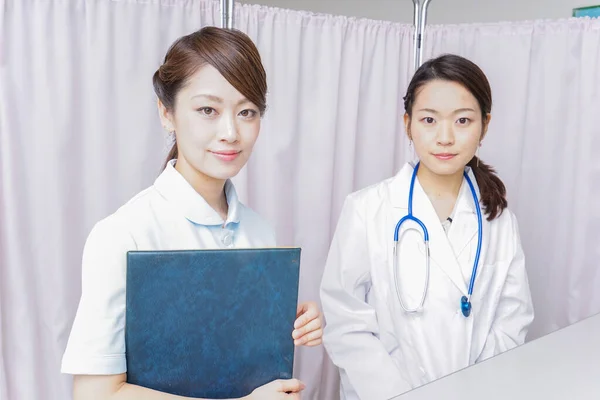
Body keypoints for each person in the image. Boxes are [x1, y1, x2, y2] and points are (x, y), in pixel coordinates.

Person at [61, 27, 323, 400]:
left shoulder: (258, 231)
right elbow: (95, 394)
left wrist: (291, 321)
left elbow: (238, 360)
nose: (230, 132)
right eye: (207, 110)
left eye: (247, 112)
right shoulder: (124, 234)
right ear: (166, 113)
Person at [319, 54, 534, 400]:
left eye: (463, 120)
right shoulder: (366, 209)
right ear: (407, 124)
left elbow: (513, 319)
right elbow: (346, 324)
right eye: (429, 120)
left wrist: (477, 388)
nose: (445, 137)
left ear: (485, 126)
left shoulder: (499, 220)